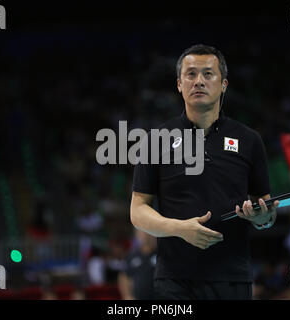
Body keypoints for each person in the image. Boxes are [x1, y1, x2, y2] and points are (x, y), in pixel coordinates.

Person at [130, 44, 279, 300]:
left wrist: (262, 219)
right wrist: (179, 228)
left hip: (232, 278)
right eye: (190, 74)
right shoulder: (156, 140)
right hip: (174, 281)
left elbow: (264, 210)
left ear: (224, 84)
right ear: (179, 84)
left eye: (208, 74)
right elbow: (138, 210)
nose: (198, 81)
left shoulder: (250, 140)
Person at [118, 229, 157, 300]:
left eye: (148, 233)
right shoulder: (131, 255)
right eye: (142, 233)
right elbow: (124, 277)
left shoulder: (161, 255)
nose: (146, 236)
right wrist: (127, 295)